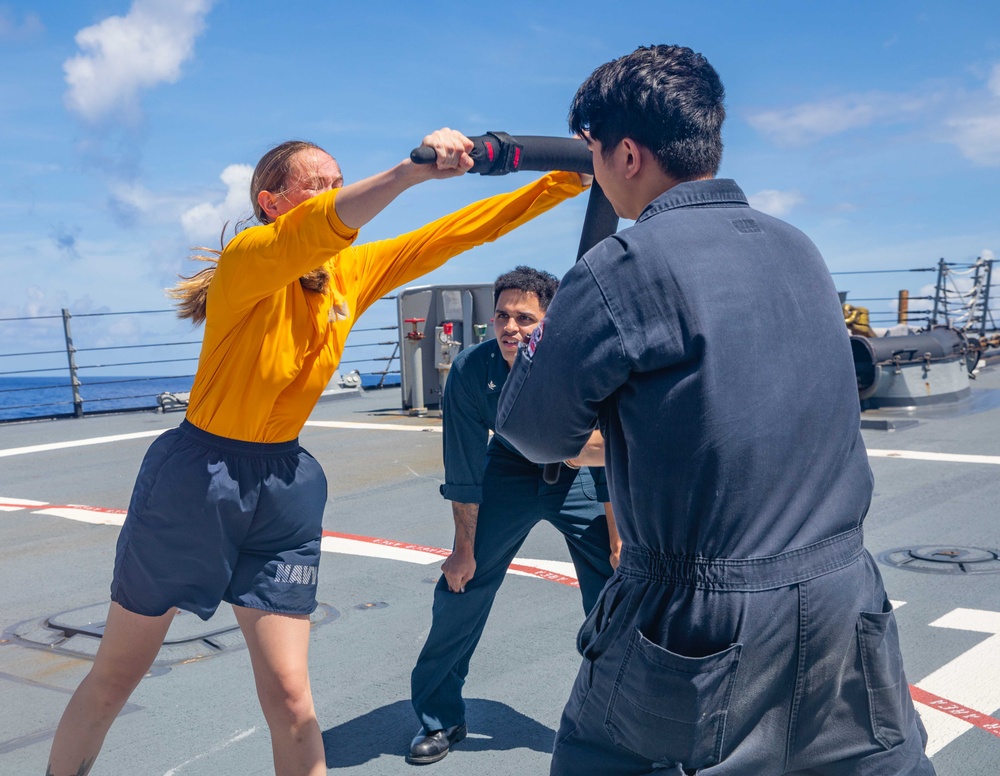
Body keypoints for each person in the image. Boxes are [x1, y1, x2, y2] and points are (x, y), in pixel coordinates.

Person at [45, 130, 591, 776]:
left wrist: (568, 178)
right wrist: (410, 174)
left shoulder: (345, 275)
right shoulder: (251, 260)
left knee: (293, 698)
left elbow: (452, 235)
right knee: (116, 675)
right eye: (320, 184)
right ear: (273, 203)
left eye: (340, 180)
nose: (336, 192)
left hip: (283, 487)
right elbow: (325, 227)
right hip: (196, 481)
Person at [496, 46, 936, 775]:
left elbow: (535, 433)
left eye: (594, 155)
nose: (594, 173)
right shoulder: (798, 247)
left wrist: (551, 334)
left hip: (698, 614)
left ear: (627, 153)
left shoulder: (621, 267)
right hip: (841, 593)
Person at [407, 266, 618, 765]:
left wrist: (618, 533)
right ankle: (440, 718)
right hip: (507, 470)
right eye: (502, 315)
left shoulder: (581, 364)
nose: (509, 327)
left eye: (525, 317)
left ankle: (618, 718)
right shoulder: (471, 370)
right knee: (461, 587)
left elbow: (614, 449)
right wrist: (462, 550)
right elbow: (462, 465)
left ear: (550, 322)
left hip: (579, 472)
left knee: (617, 589)